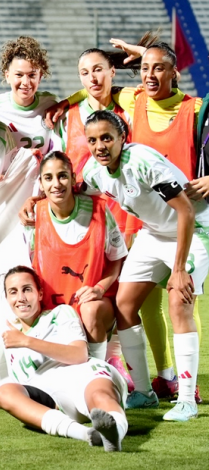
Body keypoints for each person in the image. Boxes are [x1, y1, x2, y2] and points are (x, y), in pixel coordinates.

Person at [82, 110, 208, 421]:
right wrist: (35, 201)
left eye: (107, 138)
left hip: (195, 228)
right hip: (153, 232)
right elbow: (79, 192)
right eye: (93, 140)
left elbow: (186, 211)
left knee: (179, 302)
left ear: (122, 138)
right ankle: (143, 393)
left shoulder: (143, 162)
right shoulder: (93, 172)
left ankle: (186, 400)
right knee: (124, 305)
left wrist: (179, 269)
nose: (100, 146)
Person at [0, 266, 128, 452]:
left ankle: (115, 432)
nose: (21, 298)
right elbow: (21, 384)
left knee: (99, 396)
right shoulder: (10, 336)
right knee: (5, 392)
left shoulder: (60, 313)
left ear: (39, 294)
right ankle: (87, 434)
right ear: (7, 298)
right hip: (53, 398)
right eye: (13, 292)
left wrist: (27, 341)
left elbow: (79, 355)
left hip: (85, 375)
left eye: (27, 289)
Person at [24, 152, 128, 381]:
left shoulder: (99, 210)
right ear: (41, 183)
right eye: (48, 178)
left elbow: (117, 259)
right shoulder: (33, 216)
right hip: (55, 310)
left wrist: (99, 289)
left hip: (95, 304)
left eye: (62, 176)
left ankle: (99, 376)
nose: (56, 184)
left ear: (73, 178)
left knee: (90, 310)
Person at [0, 36, 59, 152]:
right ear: (7, 76)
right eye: (19, 75)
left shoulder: (52, 104)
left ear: (40, 77)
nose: (25, 82)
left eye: (32, 75)